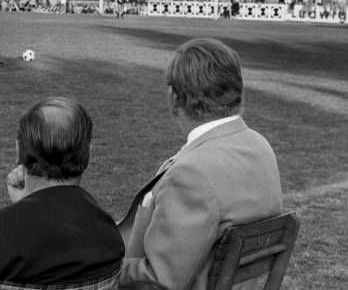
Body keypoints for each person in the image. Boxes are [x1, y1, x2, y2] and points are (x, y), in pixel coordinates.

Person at [117, 38, 283, 290]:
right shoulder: (260, 145)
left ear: (173, 98)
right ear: (238, 92)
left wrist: (105, 268)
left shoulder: (191, 173)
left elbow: (160, 281)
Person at [0, 97, 125, 290]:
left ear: (19, 148)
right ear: (88, 151)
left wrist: (21, 212)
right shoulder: (108, 235)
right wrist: (26, 205)